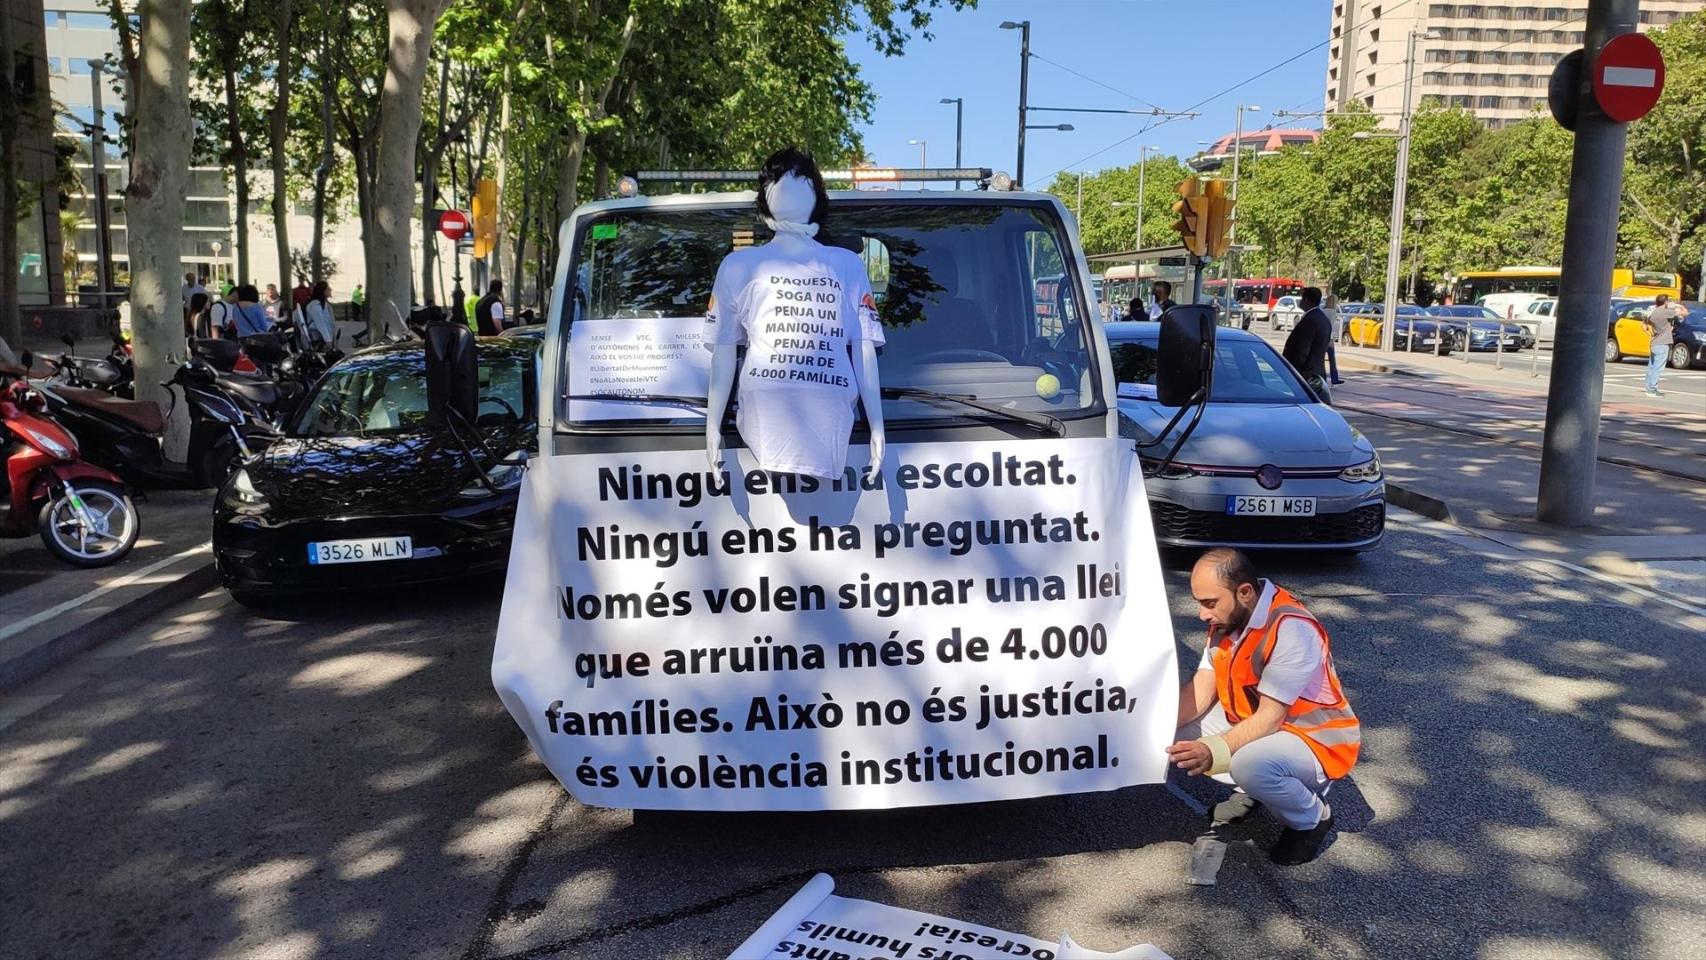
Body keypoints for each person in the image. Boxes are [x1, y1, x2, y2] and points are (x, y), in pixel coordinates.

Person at [1167, 548, 1361, 866]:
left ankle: (1312, 818)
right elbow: (1201, 691)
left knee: (1249, 763)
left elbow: (1270, 718)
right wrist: (1146, 723)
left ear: (1244, 592)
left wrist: (1213, 751)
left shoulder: (1291, 628)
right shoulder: (1229, 620)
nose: (1202, 614)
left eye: (1209, 603)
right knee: (1173, 731)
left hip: (1315, 742)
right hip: (1263, 728)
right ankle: (1258, 791)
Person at [1282, 286, 1333, 403]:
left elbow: (1302, 350)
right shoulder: (1323, 320)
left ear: (1306, 300)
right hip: (1318, 374)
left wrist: (1292, 372)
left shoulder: (1309, 321)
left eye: (1302, 298)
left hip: (1305, 377)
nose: (1300, 301)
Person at [1643, 294, 1683, 397]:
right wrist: (1679, 306)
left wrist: (1650, 333)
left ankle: (1648, 387)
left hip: (1654, 342)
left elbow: (1644, 325)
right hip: (1662, 343)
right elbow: (1683, 313)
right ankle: (1652, 389)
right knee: (1658, 367)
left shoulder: (1653, 312)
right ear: (1665, 302)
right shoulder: (1664, 312)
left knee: (1651, 367)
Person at [299, 280, 336, 350]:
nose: (330, 290)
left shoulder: (325, 304)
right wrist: (328, 340)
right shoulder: (314, 305)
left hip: (327, 339)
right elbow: (320, 323)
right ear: (322, 291)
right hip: (319, 341)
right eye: (328, 288)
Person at [1323, 293, 1345, 385]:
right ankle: (1334, 379)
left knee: (1320, 360)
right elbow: (1331, 325)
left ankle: (1322, 379)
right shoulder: (1333, 312)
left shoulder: (1322, 311)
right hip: (1330, 338)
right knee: (1332, 360)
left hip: (1322, 338)